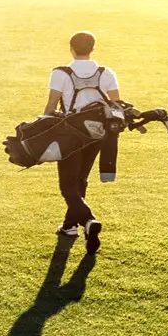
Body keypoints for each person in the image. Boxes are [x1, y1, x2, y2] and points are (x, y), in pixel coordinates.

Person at [44, 30, 125, 239]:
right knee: (80, 178)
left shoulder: (60, 73)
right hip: (98, 133)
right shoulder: (106, 72)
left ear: (71, 49)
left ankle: (88, 220)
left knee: (67, 185)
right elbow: (116, 105)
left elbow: (51, 106)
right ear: (93, 49)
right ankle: (70, 225)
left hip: (71, 134)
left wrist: (44, 127)